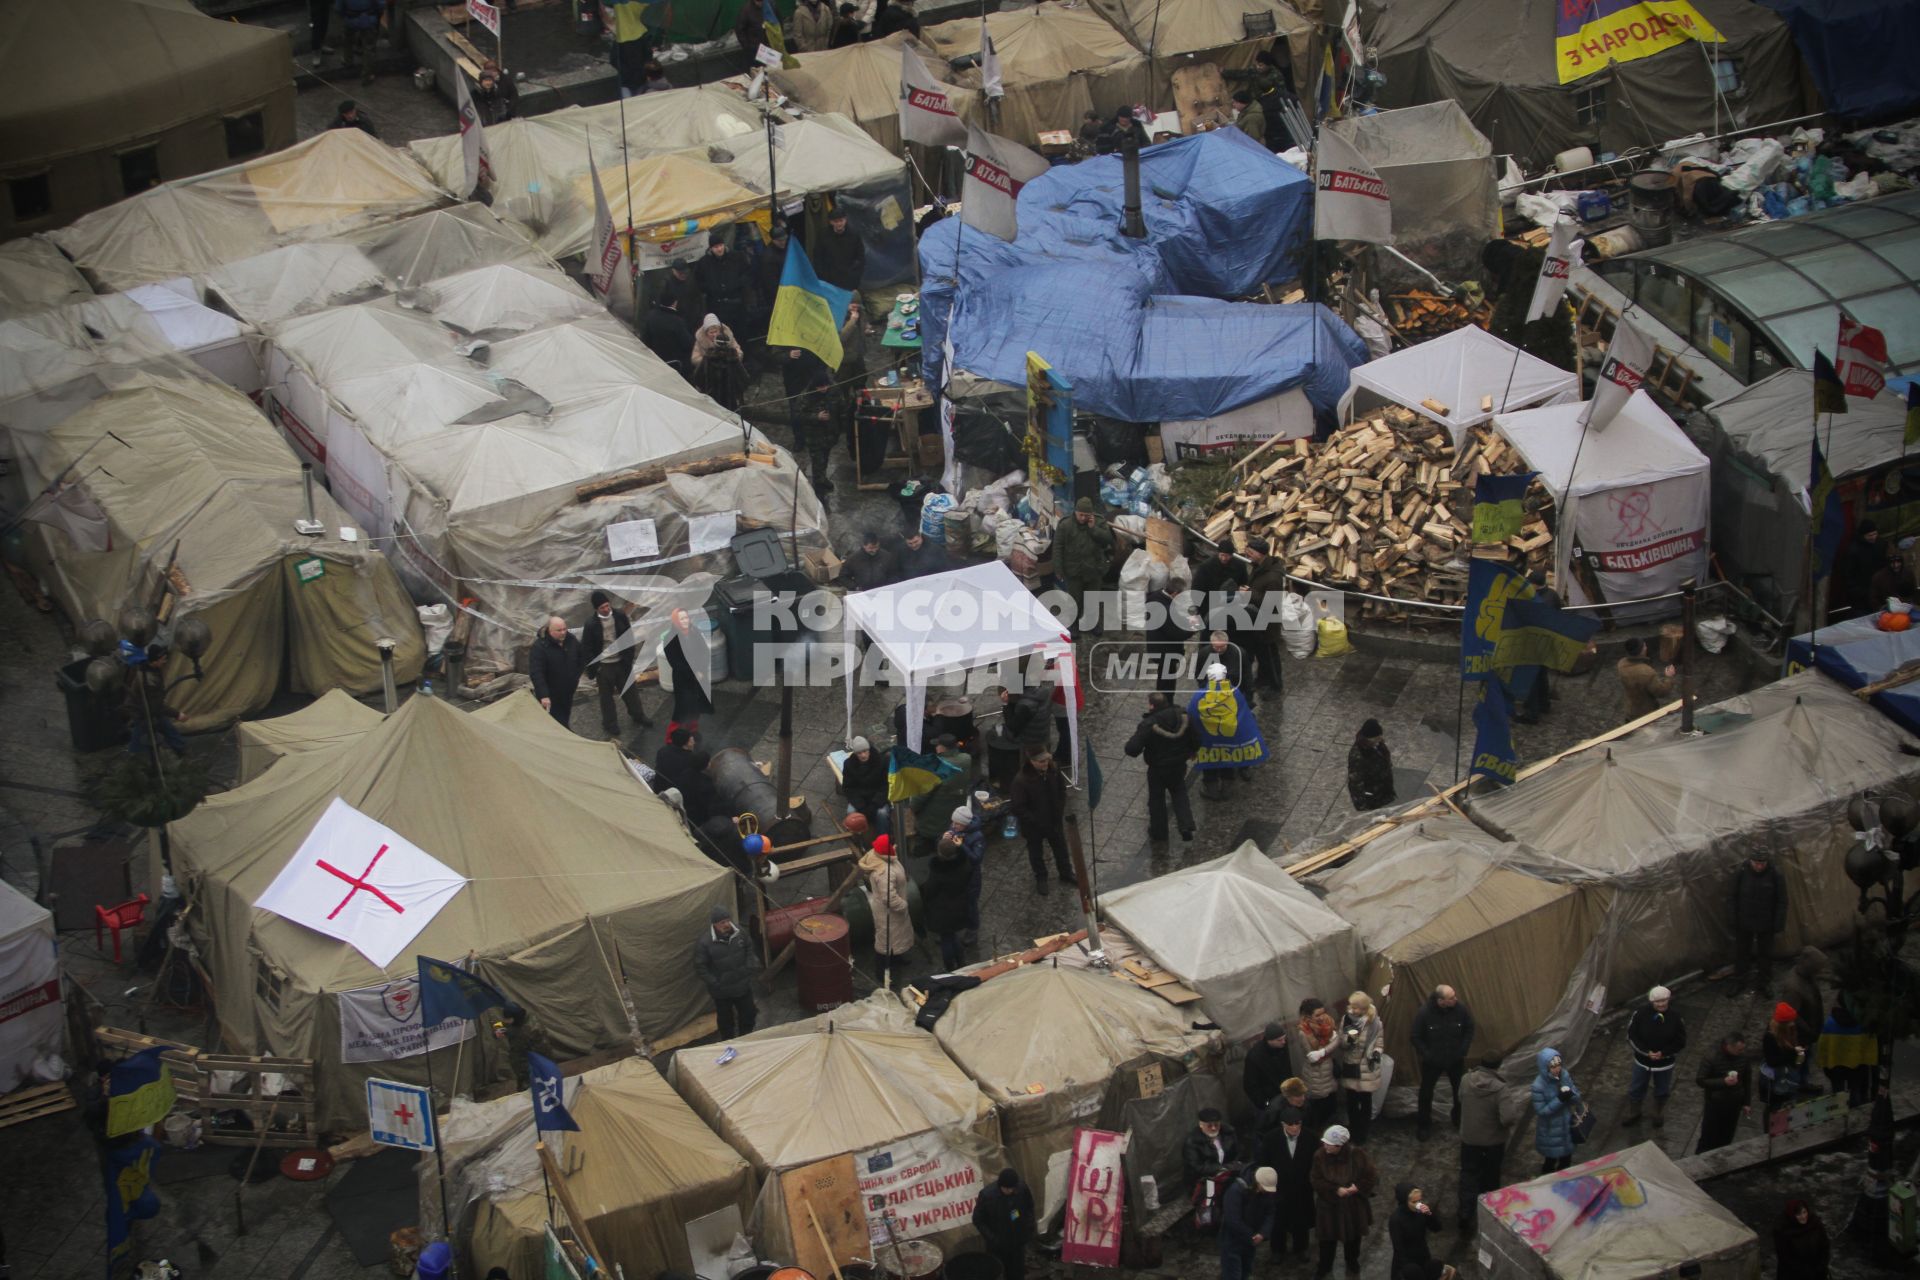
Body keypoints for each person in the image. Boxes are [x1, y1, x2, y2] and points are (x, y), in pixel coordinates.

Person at [1125, 691, 1197, 843]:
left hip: (1158, 769)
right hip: (1178, 765)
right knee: (1179, 792)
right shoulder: (1182, 715)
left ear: (1151, 705)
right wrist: (1191, 751)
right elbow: (1197, 737)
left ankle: (1159, 833)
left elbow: (1131, 749)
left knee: (1156, 800)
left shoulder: (1149, 724)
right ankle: (1186, 825)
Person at [1309, 1125, 1375, 1278]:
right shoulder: (1320, 1156)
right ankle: (1324, 1266)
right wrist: (1334, 1189)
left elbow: (1370, 1176)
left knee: (1353, 1239)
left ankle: (1352, 1261)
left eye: (1329, 1144)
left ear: (1339, 1145)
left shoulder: (1357, 1155)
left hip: (1353, 1206)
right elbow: (1315, 1179)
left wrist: (1357, 1188)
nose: (1325, 1146)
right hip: (1329, 1207)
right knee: (1326, 1241)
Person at [581, 591, 651, 738]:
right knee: (606, 698)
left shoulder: (619, 616)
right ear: (596, 609)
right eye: (602, 607)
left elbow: (628, 637)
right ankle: (610, 724)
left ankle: (638, 715)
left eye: (607, 605)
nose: (606, 609)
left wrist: (629, 658)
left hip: (621, 662)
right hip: (604, 666)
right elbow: (586, 648)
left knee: (630, 692)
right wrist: (597, 668)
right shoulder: (591, 624)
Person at [1410, 985, 1474, 1140]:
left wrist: (1462, 1050)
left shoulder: (1461, 1010)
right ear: (1441, 1001)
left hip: (1455, 1059)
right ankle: (1424, 1125)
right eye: (1451, 998)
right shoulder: (1425, 1013)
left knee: (1459, 1092)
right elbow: (1415, 1036)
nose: (1455, 999)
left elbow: (1469, 1028)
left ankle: (1458, 1119)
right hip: (1433, 1061)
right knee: (1426, 1093)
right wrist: (1427, 1054)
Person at [1455, 1054, 1509, 1232]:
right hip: (1492, 1142)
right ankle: (1489, 1213)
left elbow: (1461, 1099)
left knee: (1468, 1175)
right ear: (1498, 1066)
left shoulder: (1465, 1080)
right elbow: (1508, 1117)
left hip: (1469, 1139)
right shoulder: (1500, 1089)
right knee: (1490, 1178)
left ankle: (1465, 1212)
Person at [1623, 984, 1686, 1130]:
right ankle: (1634, 1112)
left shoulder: (1676, 1017)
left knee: (1662, 1089)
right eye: (1658, 1001)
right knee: (1636, 1087)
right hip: (1642, 1061)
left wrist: (1663, 1053)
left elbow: (1680, 1041)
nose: (1661, 1004)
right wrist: (1646, 1052)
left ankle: (1657, 1112)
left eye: (1664, 1000)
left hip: (1665, 1063)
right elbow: (1632, 1036)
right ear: (1652, 1002)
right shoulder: (1640, 1014)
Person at [1010, 749, 1073, 892]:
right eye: (1041, 761)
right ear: (1032, 762)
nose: (1046, 764)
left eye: (1047, 760)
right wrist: (1036, 821)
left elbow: (1061, 790)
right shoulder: (1021, 781)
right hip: (1034, 826)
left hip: (1054, 820)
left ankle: (1066, 873)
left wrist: (1059, 809)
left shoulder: (1053, 770)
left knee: (1061, 849)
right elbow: (1018, 807)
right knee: (1036, 853)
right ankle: (1041, 878)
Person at [694, 904, 757, 1039]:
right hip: (722, 992)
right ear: (715, 924)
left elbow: (749, 947)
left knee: (749, 1013)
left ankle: (746, 1038)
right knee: (725, 1021)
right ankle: (728, 1042)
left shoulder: (739, 932)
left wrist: (749, 966)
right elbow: (700, 966)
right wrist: (715, 983)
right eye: (722, 922)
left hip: (742, 985)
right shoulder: (704, 943)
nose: (727, 924)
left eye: (728, 920)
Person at [1262, 1105, 1315, 1260]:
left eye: (1297, 1123)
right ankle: (1277, 1250)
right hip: (1279, 1188)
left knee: (1301, 1220)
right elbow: (1264, 1162)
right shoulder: (1271, 1138)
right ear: (1283, 1124)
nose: (1294, 1127)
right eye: (1290, 1124)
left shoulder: (1311, 1138)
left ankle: (1301, 1248)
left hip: (1302, 1187)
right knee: (1278, 1221)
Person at [1054, 498, 1114, 635]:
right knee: (1074, 600)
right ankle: (1073, 625)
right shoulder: (1065, 525)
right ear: (1075, 512)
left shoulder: (1098, 522)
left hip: (1094, 569)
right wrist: (1058, 568)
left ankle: (1092, 623)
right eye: (1080, 514)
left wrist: (1094, 529)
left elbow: (1108, 539)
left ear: (1091, 514)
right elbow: (1058, 547)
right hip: (1074, 570)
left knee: (1092, 599)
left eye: (1086, 515)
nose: (1082, 518)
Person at [1730, 851, 1787, 993]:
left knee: (1765, 954)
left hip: (1766, 921)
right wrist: (1733, 918)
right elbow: (1733, 897)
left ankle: (1764, 982)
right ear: (1750, 861)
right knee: (1742, 953)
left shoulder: (1775, 874)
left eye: (1762, 863)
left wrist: (1778, 922)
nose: (1759, 866)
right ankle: (1739, 981)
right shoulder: (1741, 872)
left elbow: (1782, 900)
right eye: (1756, 863)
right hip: (1745, 920)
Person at [1334, 992, 1384, 1146]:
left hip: (1366, 1066)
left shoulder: (1375, 1022)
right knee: (1352, 1100)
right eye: (1352, 1007)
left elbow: (1379, 1043)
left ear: (1365, 1008)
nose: (1353, 1011)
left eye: (1357, 1008)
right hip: (1351, 1064)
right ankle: (1354, 1129)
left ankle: (1363, 1131)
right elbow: (1341, 1043)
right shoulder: (1346, 1019)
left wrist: (1376, 1053)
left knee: (1365, 1100)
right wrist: (1349, 1040)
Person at [123, 644, 186, 757]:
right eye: (162, 659)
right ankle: (134, 757)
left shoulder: (153, 670)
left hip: (148, 707)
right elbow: (155, 707)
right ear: (155, 661)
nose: (165, 661)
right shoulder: (148, 680)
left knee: (165, 726)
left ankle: (180, 749)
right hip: (140, 710)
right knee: (143, 728)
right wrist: (177, 714)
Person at [1242, 538, 1288, 694]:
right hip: (1257, 618)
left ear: (1260, 554)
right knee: (1261, 654)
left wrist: (1249, 594)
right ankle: (1262, 680)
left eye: (1251, 553)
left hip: (1268, 623)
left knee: (1270, 656)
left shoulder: (1273, 577)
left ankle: (1275, 686)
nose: (1248, 555)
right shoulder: (1258, 568)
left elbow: (1271, 603)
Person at [864, 835, 915, 976]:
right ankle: (882, 972)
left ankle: (896, 959)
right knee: (885, 943)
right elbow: (889, 897)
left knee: (895, 938)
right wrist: (902, 905)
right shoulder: (884, 872)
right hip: (888, 912)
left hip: (892, 912)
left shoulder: (883, 859)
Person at [972, 1169, 1036, 1280]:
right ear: (1000, 1185)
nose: (1010, 1191)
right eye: (1006, 1188)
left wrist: (1028, 1227)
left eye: (1012, 1188)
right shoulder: (987, 1196)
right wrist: (992, 1238)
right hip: (998, 1244)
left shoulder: (1021, 1188)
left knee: (1017, 1272)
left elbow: (1029, 1207)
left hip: (1017, 1241)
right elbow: (977, 1219)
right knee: (999, 1272)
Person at [914, 734, 973, 855]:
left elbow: (917, 800)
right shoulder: (966, 759)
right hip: (955, 813)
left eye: (937, 745)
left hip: (933, 823)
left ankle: (928, 848)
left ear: (942, 748)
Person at [1695, 1031, 1752, 1153]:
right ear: (1728, 1046)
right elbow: (1701, 1080)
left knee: (1727, 1136)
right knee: (1708, 1136)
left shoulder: (1744, 1058)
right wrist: (1723, 1082)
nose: (1741, 1052)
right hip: (1715, 1103)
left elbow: (1747, 1080)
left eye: (1743, 1049)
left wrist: (1746, 1102)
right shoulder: (1711, 1057)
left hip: (1735, 1102)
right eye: (1739, 1050)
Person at [1779, 947, 1829, 1088]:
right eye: (1818, 968)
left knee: (1804, 1060)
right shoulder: (1794, 988)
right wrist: (1809, 1031)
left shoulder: (1806, 977)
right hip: (1799, 1036)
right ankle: (1796, 1086)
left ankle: (1803, 1082)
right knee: (1798, 1061)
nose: (1820, 971)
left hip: (1807, 1032)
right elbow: (1790, 1015)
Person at [1219, 1166, 1279, 1280]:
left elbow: (1270, 1213)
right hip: (1232, 1241)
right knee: (1232, 1275)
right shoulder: (1235, 1190)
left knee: (1246, 1272)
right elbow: (1232, 1220)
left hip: (1250, 1242)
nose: (1267, 1191)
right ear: (1258, 1182)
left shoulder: (1266, 1193)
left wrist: (1262, 1233)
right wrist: (1251, 1235)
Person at [1529, 1047, 1582, 1174]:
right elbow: (1541, 1111)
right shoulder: (1538, 1086)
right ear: (1545, 1067)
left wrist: (1572, 1095)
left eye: (1559, 1064)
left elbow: (1576, 1096)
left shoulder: (1564, 1075)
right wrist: (1560, 1100)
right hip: (1550, 1130)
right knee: (1550, 1162)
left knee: (1566, 1160)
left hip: (1566, 1125)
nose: (1557, 1069)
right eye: (1553, 1066)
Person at [923, 832, 972, 969]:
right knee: (952, 935)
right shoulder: (963, 865)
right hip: (959, 906)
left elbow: (930, 890)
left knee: (946, 939)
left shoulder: (938, 872)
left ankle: (950, 967)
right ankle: (961, 960)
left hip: (943, 911)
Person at [693, 239, 754, 343]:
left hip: (737, 303)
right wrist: (711, 288)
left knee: (741, 333)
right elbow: (699, 281)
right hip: (717, 306)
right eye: (716, 247)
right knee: (723, 336)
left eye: (720, 245)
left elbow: (747, 273)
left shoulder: (737, 257)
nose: (719, 249)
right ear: (711, 248)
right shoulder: (704, 263)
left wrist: (738, 284)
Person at [1184, 1108, 1239, 1223]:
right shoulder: (1192, 1142)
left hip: (1227, 1175)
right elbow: (1196, 1167)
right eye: (1209, 1126)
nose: (1214, 1128)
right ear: (1201, 1125)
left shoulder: (1228, 1134)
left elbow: (1238, 1153)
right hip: (1205, 1180)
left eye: (1216, 1125)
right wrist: (1220, 1169)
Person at [662, 607, 714, 728]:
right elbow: (675, 662)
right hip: (683, 678)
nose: (685, 621)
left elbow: (704, 651)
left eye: (686, 618)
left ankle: (695, 725)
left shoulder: (694, 631)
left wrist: (701, 669)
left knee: (699, 702)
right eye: (681, 619)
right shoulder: (670, 638)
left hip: (700, 675)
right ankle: (684, 731)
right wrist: (694, 672)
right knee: (685, 707)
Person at [529, 614, 584, 728]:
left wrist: (576, 676)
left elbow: (581, 657)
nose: (563, 632)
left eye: (565, 629)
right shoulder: (540, 647)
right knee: (555, 721)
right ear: (550, 630)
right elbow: (536, 672)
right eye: (559, 630)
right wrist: (544, 695)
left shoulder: (571, 639)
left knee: (565, 714)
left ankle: (565, 730)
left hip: (568, 689)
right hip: (551, 693)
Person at [655, 726, 718, 823]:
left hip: (659, 788)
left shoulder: (662, 751)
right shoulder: (689, 761)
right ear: (685, 744)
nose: (693, 741)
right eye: (691, 739)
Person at [1298, 997, 1341, 1137]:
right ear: (1308, 1017)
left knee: (1331, 1105)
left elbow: (1337, 1040)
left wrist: (1323, 1051)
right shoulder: (1304, 1032)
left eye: (1323, 1013)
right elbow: (1313, 1058)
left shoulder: (1328, 1023)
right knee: (1318, 1109)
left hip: (1328, 1072)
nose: (1322, 1017)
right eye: (1318, 1015)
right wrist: (1328, 1048)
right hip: (1315, 1075)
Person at [690, 313, 748, 411]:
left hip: (729, 389)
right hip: (710, 387)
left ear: (720, 330)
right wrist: (708, 362)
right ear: (706, 333)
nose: (714, 334)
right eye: (711, 332)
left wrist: (731, 357)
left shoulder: (727, 338)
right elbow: (694, 359)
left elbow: (739, 351)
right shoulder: (701, 341)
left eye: (715, 331)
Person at [948, 806, 987, 945]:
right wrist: (944, 839)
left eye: (956, 824)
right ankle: (954, 928)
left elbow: (976, 859)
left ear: (965, 824)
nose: (953, 826)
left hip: (971, 877)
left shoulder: (978, 837)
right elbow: (944, 845)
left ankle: (972, 930)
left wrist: (962, 846)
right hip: (957, 873)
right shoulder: (956, 828)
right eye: (952, 822)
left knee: (971, 904)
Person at [1387, 1183, 1442, 1280]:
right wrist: (1408, 1269)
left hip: (1423, 1256)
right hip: (1407, 1263)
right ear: (1404, 1201)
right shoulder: (1396, 1220)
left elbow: (1437, 1228)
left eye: (1419, 1200)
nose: (1418, 1204)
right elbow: (1398, 1248)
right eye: (1414, 1202)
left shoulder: (1421, 1212)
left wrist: (1430, 1214)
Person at [1146, 578, 1192, 692]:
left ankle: (1162, 701)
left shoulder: (1154, 596)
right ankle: (1166, 702)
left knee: (1163, 677)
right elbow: (1178, 634)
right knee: (1167, 682)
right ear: (1175, 594)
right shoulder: (1167, 611)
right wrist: (1193, 628)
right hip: (1166, 652)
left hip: (1155, 645)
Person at [497, 1001, 555, 1090]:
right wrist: (498, 1029)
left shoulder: (526, 1031)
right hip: (534, 1059)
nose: (506, 1021)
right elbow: (505, 1025)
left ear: (515, 1018)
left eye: (509, 1019)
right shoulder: (527, 1017)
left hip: (533, 1062)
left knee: (533, 1086)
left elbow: (519, 1057)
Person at [1616, 637, 1675, 721]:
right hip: (1646, 713)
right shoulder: (1646, 672)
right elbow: (1661, 692)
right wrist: (1669, 677)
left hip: (1631, 709)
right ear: (1641, 651)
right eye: (1644, 646)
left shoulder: (1621, 664)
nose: (1646, 647)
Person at [840, 735, 890, 835]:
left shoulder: (881, 761)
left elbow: (886, 785)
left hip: (877, 797)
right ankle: (858, 837)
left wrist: (875, 804)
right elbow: (848, 788)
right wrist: (860, 805)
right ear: (855, 754)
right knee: (851, 813)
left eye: (865, 751)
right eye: (859, 753)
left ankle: (883, 837)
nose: (863, 755)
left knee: (882, 814)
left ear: (869, 750)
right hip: (860, 798)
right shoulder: (849, 765)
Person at [810, 208, 866, 295]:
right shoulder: (823, 236)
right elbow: (818, 257)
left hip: (849, 280)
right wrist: (822, 277)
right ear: (831, 222)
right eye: (836, 221)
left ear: (845, 220)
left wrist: (854, 275)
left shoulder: (854, 235)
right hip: (830, 280)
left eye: (841, 220)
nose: (839, 224)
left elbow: (860, 257)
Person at [1761, 1002, 1804, 1115]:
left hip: (1790, 1074)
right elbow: (1772, 1060)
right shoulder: (1770, 1037)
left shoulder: (1790, 1029)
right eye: (1790, 1021)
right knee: (1775, 1107)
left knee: (1789, 1103)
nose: (1792, 1023)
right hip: (1778, 1077)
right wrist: (1793, 1053)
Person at [1243, 1021, 1292, 1115]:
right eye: (1279, 1040)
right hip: (1268, 1100)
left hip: (1284, 1094)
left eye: (1284, 1038)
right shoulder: (1255, 1056)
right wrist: (1264, 1103)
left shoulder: (1282, 1047)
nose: (1283, 1042)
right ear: (1269, 1040)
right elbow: (1250, 1084)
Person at [1775, 1199, 1831, 1280]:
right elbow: (1785, 1258)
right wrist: (1806, 1272)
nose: (1803, 1216)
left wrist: (1821, 1266)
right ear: (1792, 1215)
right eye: (1798, 1214)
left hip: (1817, 1273)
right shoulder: (1783, 1232)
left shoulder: (1815, 1224)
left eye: (1804, 1212)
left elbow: (1825, 1245)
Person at [1347, 719, 1396, 811]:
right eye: (1377, 737)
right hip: (1373, 795)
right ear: (1369, 738)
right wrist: (1362, 806)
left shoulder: (1376, 744)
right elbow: (1355, 782)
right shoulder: (1358, 756)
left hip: (1383, 788)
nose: (1381, 739)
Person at [642, 293, 695, 371]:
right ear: (674, 303)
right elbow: (688, 343)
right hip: (675, 363)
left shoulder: (651, 316)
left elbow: (645, 339)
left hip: (655, 360)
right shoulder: (677, 321)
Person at [337, 0, 383, 83]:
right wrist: (376, 15)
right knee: (369, 47)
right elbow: (381, 4)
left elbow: (339, 7)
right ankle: (367, 75)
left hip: (350, 19)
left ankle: (348, 61)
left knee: (347, 41)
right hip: (368, 19)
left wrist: (345, 16)